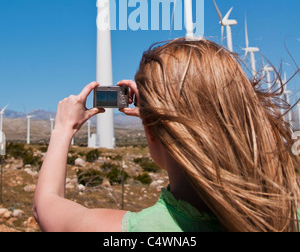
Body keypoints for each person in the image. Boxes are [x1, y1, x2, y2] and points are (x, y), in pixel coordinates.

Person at [33, 38, 300, 232]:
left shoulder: (138, 231)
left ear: (151, 129)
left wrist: (63, 129)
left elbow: (46, 206)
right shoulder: (290, 214)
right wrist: (158, 114)